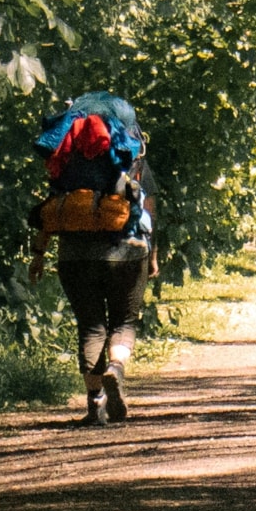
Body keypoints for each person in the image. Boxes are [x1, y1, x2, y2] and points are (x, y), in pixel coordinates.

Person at [29, 92, 158, 426]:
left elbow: (51, 209)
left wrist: (39, 255)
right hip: (127, 250)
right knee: (124, 322)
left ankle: (95, 404)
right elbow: (149, 208)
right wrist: (153, 253)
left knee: (90, 327)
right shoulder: (133, 155)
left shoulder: (67, 159)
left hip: (75, 255)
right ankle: (116, 368)